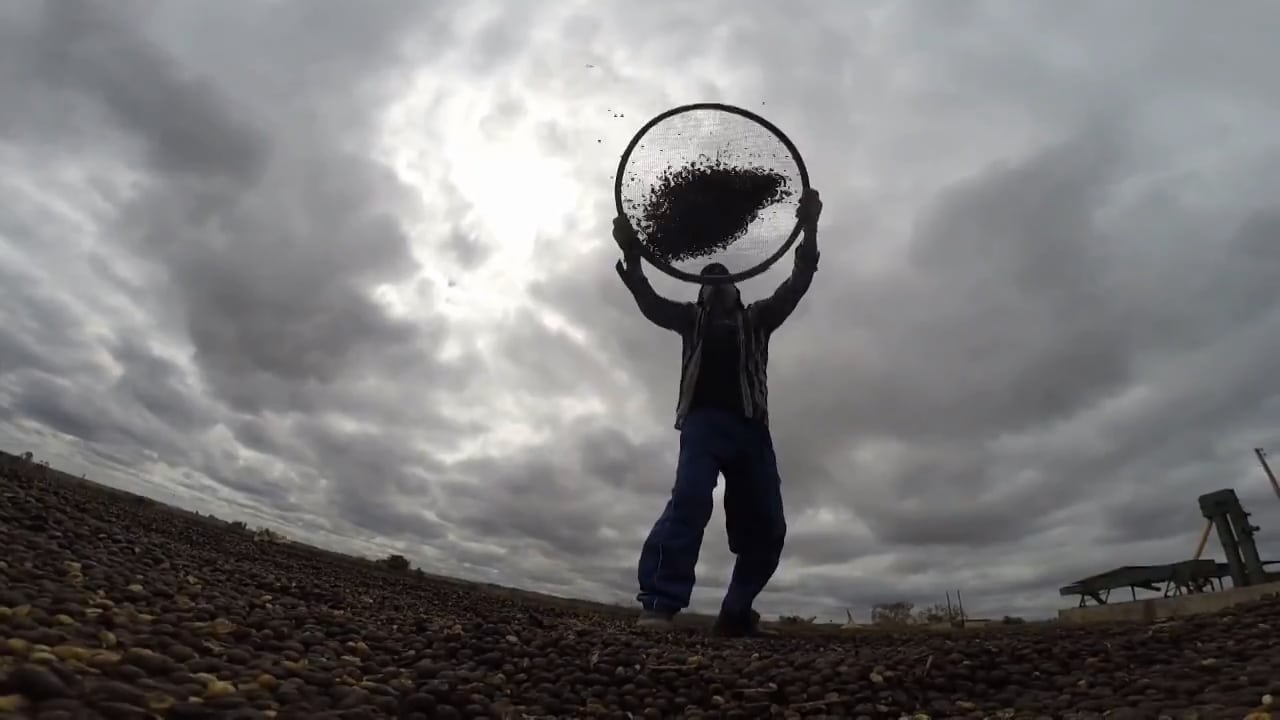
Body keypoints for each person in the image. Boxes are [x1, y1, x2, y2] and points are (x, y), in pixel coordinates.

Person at [612, 189, 823, 637]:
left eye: (722, 277)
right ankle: (659, 603)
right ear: (701, 293)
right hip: (703, 424)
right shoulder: (690, 320)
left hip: (751, 429)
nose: (715, 282)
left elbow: (798, 282)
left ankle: (736, 612)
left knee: (767, 526)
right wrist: (633, 257)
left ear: (737, 288)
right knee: (689, 501)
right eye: (707, 279)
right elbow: (649, 301)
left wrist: (810, 227)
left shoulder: (758, 318)